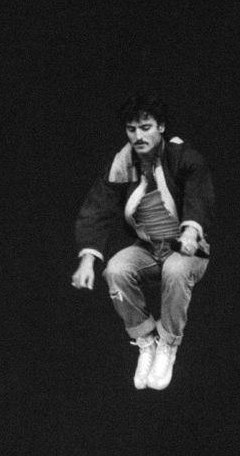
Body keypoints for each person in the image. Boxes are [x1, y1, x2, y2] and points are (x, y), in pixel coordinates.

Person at [71, 91, 214, 389]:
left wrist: (191, 231)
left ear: (161, 127)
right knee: (116, 270)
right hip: (148, 248)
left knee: (176, 270)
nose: (138, 136)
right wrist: (87, 261)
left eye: (145, 127)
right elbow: (97, 208)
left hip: (185, 249)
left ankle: (168, 344)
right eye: (131, 129)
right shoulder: (122, 164)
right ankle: (147, 341)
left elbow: (198, 193)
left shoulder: (182, 156)